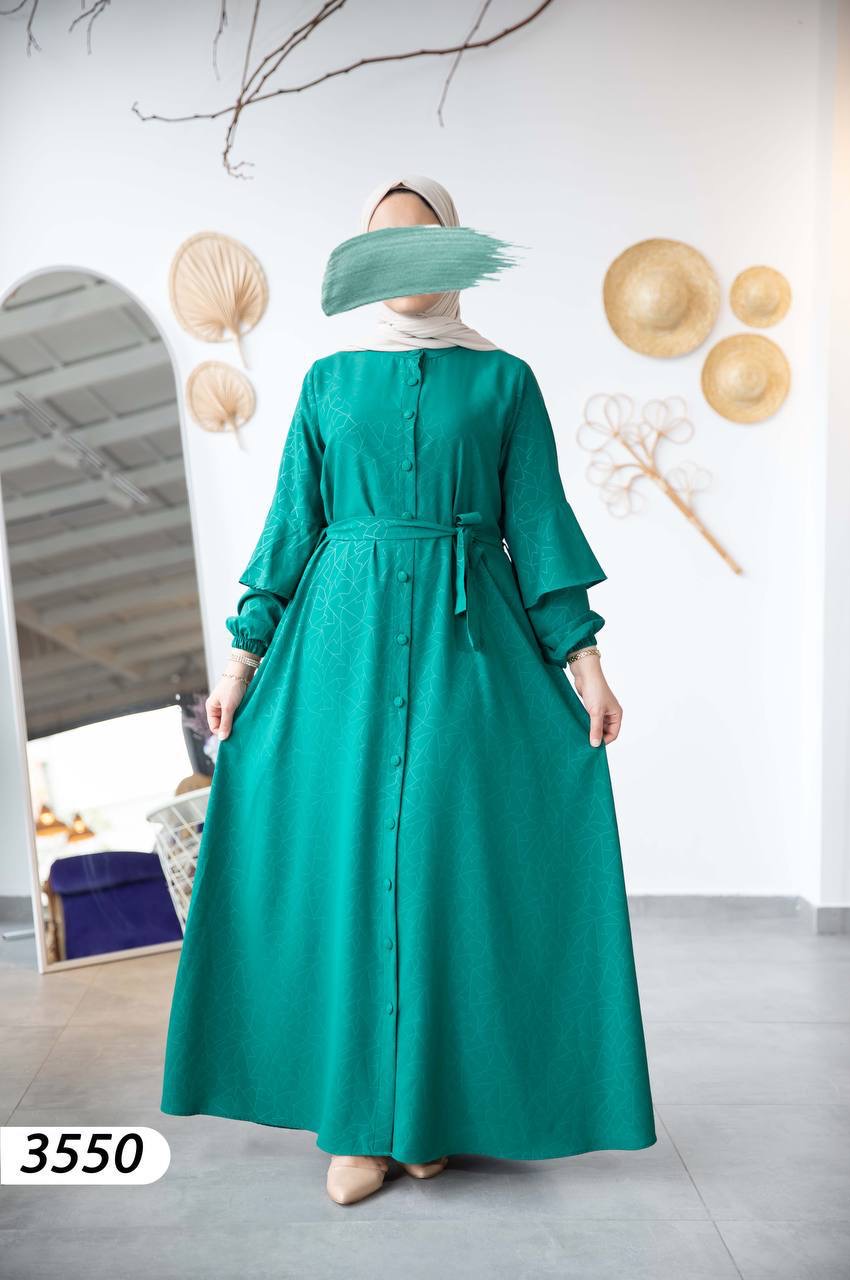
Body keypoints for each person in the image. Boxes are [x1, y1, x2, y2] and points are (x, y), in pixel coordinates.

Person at [160, 175, 656, 1206]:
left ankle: (421, 1113)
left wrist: (587, 664)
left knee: (441, 869)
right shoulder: (328, 380)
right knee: (348, 871)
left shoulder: (503, 381)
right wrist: (240, 661)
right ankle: (360, 1124)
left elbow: (539, 529)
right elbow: (290, 526)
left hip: (469, 652)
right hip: (335, 656)